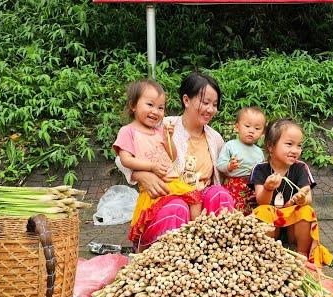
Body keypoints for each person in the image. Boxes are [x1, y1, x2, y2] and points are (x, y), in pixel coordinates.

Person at [117, 72, 235, 250]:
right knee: (177, 207)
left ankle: (219, 251)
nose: (210, 109)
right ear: (186, 100)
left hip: (200, 207)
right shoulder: (162, 125)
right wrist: (141, 174)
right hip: (169, 200)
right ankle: (170, 260)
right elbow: (122, 158)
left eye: (215, 104)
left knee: (219, 193)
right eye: (205, 102)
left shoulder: (215, 138)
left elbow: (223, 173)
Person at [113, 79, 202, 251]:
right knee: (153, 215)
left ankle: (193, 236)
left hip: (172, 181)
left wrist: (169, 138)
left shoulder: (159, 131)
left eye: (161, 108)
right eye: (150, 105)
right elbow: (126, 160)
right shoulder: (128, 131)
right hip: (154, 187)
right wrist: (151, 167)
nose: (156, 111)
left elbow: (172, 156)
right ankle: (145, 248)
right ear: (133, 105)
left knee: (195, 199)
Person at [249, 118, 333, 266]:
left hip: (292, 225)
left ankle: (302, 254)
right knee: (262, 211)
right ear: (270, 146)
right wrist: (268, 188)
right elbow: (261, 201)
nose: (295, 150)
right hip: (271, 223)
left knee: (306, 210)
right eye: (289, 144)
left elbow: (308, 197)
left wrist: (302, 199)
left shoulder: (300, 168)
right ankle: (267, 253)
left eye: (299, 145)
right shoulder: (261, 169)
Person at [216, 106, 266, 215]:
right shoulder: (230, 145)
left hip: (253, 187)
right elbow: (219, 164)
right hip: (234, 185)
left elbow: (262, 172)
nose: (251, 131)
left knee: (252, 213)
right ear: (237, 127)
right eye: (247, 126)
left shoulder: (259, 152)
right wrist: (229, 166)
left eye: (257, 128)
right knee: (232, 212)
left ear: (262, 133)